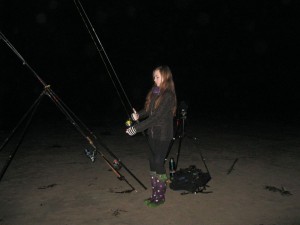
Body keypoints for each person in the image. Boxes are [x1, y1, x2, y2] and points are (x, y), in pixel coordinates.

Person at [126, 65, 177, 208]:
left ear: (165, 77)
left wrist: (136, 128)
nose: (154, 79)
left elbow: (157, 117)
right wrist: (138, 115)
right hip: (152, 133)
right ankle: (154, 195)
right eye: (154, 76)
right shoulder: (155, 91)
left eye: (157, 77)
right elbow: (149, 110)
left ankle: (160, 197)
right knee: (152, 163)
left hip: (163, 134)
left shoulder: (168, 95)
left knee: (158, 162)